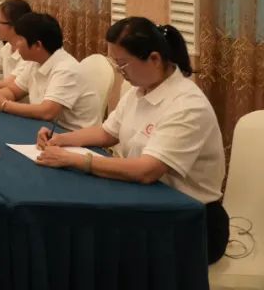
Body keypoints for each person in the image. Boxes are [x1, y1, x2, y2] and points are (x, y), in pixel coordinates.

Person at [34, 17, 228, 263]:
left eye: (123, 64)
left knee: (91, 245)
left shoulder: (188, 105)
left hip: (189, 222)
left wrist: (74, 160)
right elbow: (107, 133)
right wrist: (61, 139)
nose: (120, 73)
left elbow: (147, 170)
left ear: (154, 59)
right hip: (145, 203)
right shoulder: (139, 91)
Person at [0, 12, 101, 131]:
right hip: (45, 129)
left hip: (72, 135)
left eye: (20, 40)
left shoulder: (66, 69)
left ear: (38, 45)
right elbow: (13, 90)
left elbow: (47, 112)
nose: (17, 45)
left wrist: (4, 105)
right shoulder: (35, 61)